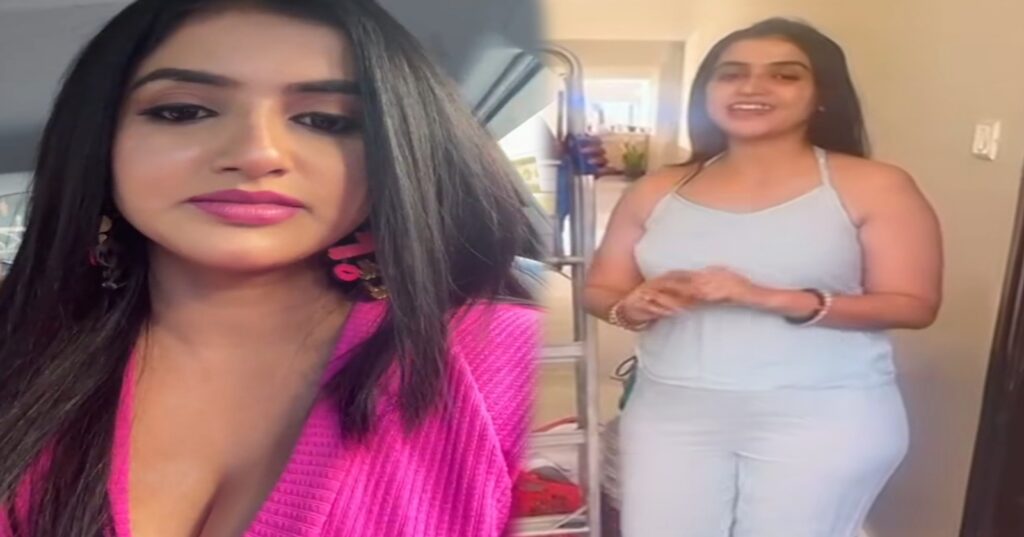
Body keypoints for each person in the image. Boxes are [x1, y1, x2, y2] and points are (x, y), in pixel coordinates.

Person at [0, 1, 542, 536]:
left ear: (394, 153)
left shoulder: (516, 360)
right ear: (101, 138)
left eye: (325, 121)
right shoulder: (21, 355)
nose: (258, 154)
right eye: (183, 111)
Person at [584, 18, 943, 537]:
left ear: (822, 95)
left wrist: (768, 297)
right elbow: (601, 289)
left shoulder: (875, 185)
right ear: (707, 93)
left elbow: (913, 303)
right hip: (670, 410)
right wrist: (630, 306)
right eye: (731, 74)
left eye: (784, 75)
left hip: (823, 413)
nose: (752, 87)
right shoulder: (657, 188)